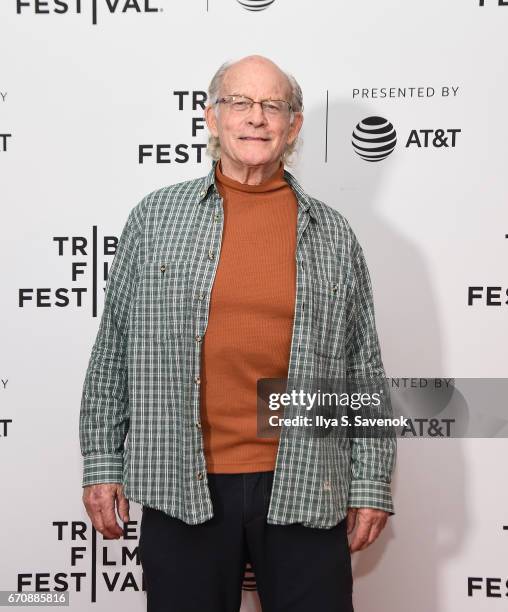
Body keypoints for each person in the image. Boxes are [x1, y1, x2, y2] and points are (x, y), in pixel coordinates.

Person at [79, 54, 397, 612]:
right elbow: (113, 352)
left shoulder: (333, 234)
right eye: (240, 103)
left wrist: (371, 482)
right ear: (211, 116)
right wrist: (103, 463)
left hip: (306, 482)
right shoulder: (155, 219)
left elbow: (361, 369)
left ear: (293, 125)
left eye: (273, 105)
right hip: (181, 482)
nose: (257, 118)